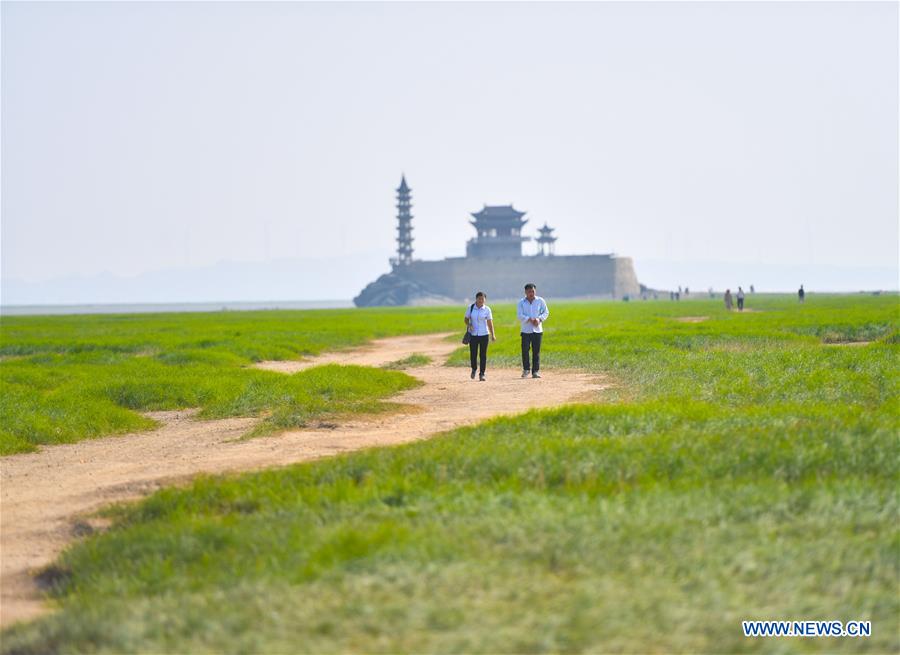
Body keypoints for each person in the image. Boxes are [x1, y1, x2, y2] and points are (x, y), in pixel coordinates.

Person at [517, 283, 549, 379]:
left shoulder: (540, 301)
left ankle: (535, 371)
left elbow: (546, 312)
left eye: (533, 291)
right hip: (526, 330)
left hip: (537, 330)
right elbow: (519, 315)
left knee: (536, 352)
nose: (531, 293)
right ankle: (526, 369)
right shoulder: (521, 302)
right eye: (529, 291)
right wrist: (529, 319)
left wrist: (539, 319)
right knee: (525, 350)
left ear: (535, 291)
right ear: (525, 292)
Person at [464, 291, 495, 381]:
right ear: (476, 299)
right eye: (479, 298)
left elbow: (490, 322)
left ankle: (482, 374)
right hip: (473, 335)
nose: (481, 300)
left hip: (484, 334)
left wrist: (493, 334)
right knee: (473, 354)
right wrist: (469, 325)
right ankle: (474, 368)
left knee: (483, 355)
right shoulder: (471, 307)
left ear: (485, 299)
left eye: (482, 299)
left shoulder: (487, 309)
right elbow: (466, 319)